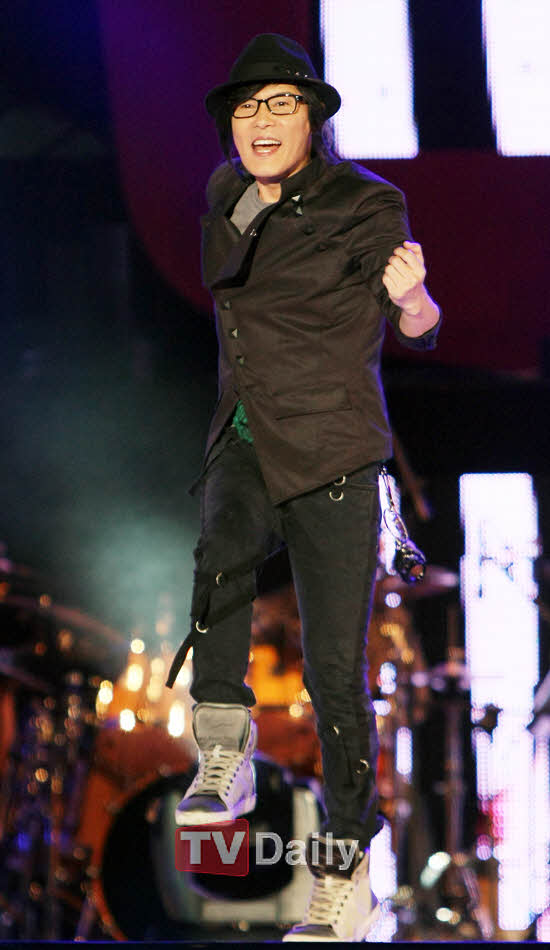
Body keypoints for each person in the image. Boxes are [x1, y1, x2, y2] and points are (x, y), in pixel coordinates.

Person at [166, 33, 441, 942]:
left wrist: (415, 300)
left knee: (332, 673)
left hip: (332, 451)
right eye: (246, 109)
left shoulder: (368, 201)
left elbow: (415, 320)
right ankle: (225, 749)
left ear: (314, 118)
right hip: (247, 433)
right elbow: (222, 270)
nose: (261, 122)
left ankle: (347, 872)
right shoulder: (227, 192)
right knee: (219, 556)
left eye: (280, 105)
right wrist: (259, 198)